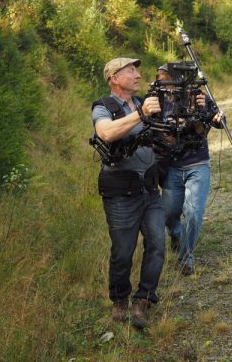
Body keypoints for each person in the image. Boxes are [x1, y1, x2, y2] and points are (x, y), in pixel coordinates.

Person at [92, 57, 164, 330]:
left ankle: (143, 299)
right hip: (121, 193)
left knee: (157, 244)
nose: (137, 74)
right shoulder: (104, 107)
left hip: (149, 189)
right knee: (123, 251)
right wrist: (142, 114)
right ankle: (120, 299)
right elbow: (106, 133)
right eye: (130, 70)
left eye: (137, 69)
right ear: (114, 78)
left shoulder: (147, 101)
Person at [155, 64, 222, 276]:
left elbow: (219, 120)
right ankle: (176, 234)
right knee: (169, 214)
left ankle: (186, 257)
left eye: (167, 80)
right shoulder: (156, 101)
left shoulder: (197, 96)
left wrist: (212, 114)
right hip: (171, 166)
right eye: (160, 80)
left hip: (198, 165)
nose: (164, 85)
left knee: (193, 213)